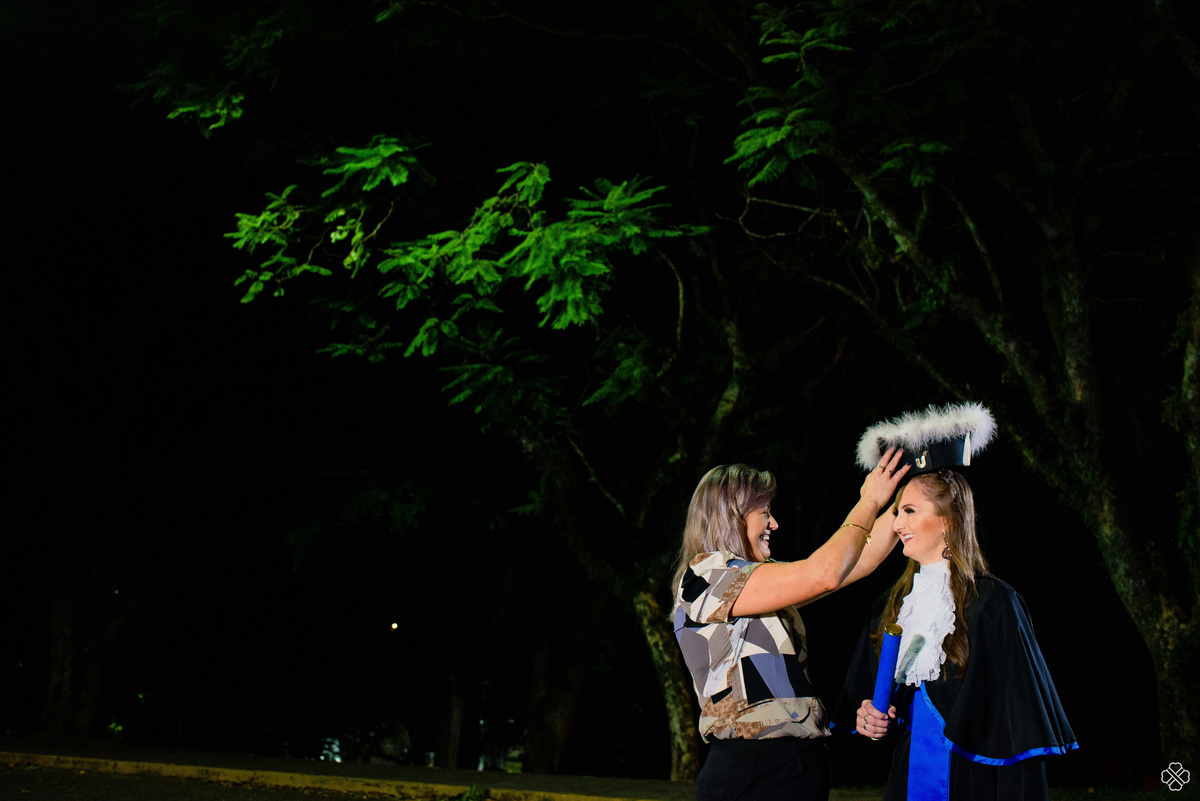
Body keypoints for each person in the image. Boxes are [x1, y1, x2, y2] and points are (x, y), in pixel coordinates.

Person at [840, 404, 1077, 801]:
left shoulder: (996, 604)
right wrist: (873, 717)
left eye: (909, 511)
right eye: (897, 512)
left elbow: (1017, 728)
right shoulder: (893, 604)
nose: (897, 525)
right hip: (908, 777)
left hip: (974, 781)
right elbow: (889, 709)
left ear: (948, 519)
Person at [672, 448, 910, 801]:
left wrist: (903, 497)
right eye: (764, 513)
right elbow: (824, 574)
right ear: (730, 516)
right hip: (753, 769)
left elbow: (855, 562)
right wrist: (867, 500)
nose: (774, 524)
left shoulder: (753, 580)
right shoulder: (707, 576)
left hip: (793, 767)